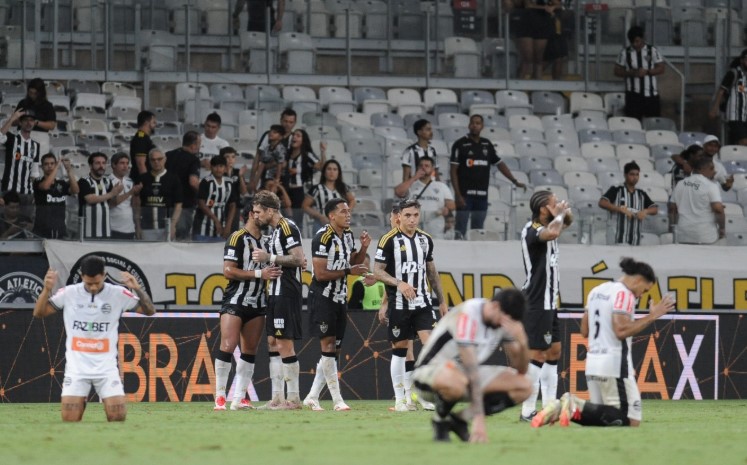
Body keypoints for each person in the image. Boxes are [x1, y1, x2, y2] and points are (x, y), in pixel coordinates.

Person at [531, 258, 675, 428]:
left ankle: (561, 408)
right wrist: (653, 316)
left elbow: (584, 331)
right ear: (638, 280)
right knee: (629, 419)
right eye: (644, 289)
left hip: (593, 364)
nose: (641, 295)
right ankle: (571, 404)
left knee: (603, 419)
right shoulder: (624, 294)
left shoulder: (596, 291)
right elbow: (620, 331)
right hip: (613, 364)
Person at [32, 255, 155, 422]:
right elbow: (39, 313)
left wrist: (137, 288)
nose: (94, 287)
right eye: (89, 283)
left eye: (97, 282)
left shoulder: (117, 294)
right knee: (69, 419)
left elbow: (149, 311)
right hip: (77, 368)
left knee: (117, 416)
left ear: (104, 275)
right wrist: (46, 290)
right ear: (82, 277)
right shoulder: (69, 293)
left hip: (106, 368)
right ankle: (80, 401)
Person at [413, 289, 532, 443]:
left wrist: (523, 343)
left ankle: (459, 419)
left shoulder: (503, 321)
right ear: (495, 306)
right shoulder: (469, 313)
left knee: (525, 386)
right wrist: (479, 419)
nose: (504, 325)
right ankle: (440, 420)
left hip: (463, 375)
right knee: (456, 382)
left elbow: (521, 369)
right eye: (504, 320)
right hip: (429, 374)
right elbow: (471, 368)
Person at [373, 199, 449, 412]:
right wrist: (399, 283)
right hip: (399, 304)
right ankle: (401, 399)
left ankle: (422, 393)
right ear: (399, 217)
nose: (412, 219)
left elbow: (432, 272)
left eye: (415, 215)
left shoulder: (425, 240)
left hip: (423, 303)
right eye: (407, 215)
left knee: (431, 348)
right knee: (400, 350)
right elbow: (377, 270)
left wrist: (441, 301)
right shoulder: (388, 240)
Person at [302, 198, 370, 411]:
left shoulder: (347, 235)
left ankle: (312, 396)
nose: (348, 215)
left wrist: (363, 248)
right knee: (328, 346)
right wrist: (350, 271)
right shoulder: (322, 238)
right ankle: (337, 400)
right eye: (343, 211)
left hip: (340, 297)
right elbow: (320, 274)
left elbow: (351, 262)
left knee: (334, 350)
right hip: (323, 297)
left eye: (349, 211)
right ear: (332, 216)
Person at [214, 204, 282, 411]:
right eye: (259, 213)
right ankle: (219, 397)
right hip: (235, 300)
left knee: (249, 350)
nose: (263, 218)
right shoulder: (237, 238)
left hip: (259, 302)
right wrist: (259, 274)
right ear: (252, 215)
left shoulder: (268, 241)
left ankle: (239, 398)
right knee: (228, 345)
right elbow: (228, 271)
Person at [518, 190, 573, 421]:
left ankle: (549, 406)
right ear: (543, 209)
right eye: (553, 203)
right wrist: (559, 216)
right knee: (538, 354)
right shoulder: (532, 230)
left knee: (554, 351)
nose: (557, 204)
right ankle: (527, 410)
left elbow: (564, 223)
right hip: (536, 301)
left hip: (550, 300)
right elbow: (551, 233)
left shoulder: (550, 224)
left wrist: (563, 213)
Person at [251, 190, 306, 409]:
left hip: (286, 292)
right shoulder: (275, 232)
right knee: (273, 342)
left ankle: (293, 399)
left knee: (284, 343)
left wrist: (269, 258)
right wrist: (269, 265)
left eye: (258, 212)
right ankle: (277, 398)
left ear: (270, 210)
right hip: (274, 291)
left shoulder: (287, 227)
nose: (255, 216)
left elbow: (298, 258)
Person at [450, 114, 525, 237]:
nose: (475, 125)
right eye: (473, 123)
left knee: (478, 231)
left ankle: (475, 256)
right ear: (469, 125)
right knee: (460, 230)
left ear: (482, 126)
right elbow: (453, 170)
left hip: (482, 196)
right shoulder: (460, 144)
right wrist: (458, 195)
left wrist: (514, 180)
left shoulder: (487, 144)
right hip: (464, 196)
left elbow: (499, 163)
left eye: (478, 123)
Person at [598, 161, 658, 246]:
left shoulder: (641, 193)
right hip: (617, 238)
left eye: (637, 174)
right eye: (632, 174)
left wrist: (645, 211)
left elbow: (654, 209)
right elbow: (602, 202)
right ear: (625, 175)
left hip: (635, 240)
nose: (635, 177)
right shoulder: (616, 189)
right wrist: (620, 209)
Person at [394, 156, 455, 239]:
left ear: (432, 168)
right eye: (421, 166)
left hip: (435, 229)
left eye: (426, 166)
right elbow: (398, 192)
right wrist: (414, 177)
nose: (423, 168)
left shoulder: (441, 186)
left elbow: (451, 205)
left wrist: (446, 209)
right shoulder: (411, 185)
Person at [613, 26, 665, 120]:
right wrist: (631, 73)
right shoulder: (625, 52)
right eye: (632, 42)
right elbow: (616, 71)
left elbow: (661, 68)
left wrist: (647, 71)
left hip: (651, 95)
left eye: (637, 41)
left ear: (642, 38)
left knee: (653, 125)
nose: (635, 44)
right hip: (633, 96)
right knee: (633, 124)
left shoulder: (652, 50)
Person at [671, 157, 725, 245]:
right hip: (705, 234)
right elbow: (718, 209)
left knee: (685, 258)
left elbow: (672, 208)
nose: (714, 171)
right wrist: (722, 228)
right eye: (711, 168)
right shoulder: (711, 185)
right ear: (700, 169)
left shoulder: (680, 184)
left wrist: (672, 227)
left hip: (683, 233)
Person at [1, 108, 42, 219]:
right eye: (26, 120)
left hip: (27, 194)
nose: (29, 123)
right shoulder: (12, 138)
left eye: (31, 120)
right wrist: (12, 119)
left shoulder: (36, 146)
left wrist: (35, 192)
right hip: (9, 191)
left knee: (25, 224)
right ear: (20, 122)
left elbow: (34, 172)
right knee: (6, 224)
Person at [136, 148, 183, 241]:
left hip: (166, 227)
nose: (156, 162)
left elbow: (178, 204)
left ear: (165, 159)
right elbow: (137, 203)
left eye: (159, 159)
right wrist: (137, 226)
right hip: (147, 227)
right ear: (149, 161)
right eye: (153, 160)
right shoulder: (143, 178)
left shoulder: (173, 178)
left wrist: (173, 225)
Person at [284, 129, 325, 227]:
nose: (294, 137)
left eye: (298, 136)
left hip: (299, 191)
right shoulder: (287, 153)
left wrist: (323, 151)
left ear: (303, 140)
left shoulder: (306, 154)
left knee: (296, 221)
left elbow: (320, 166)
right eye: (293, 135)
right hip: (285, 190)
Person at [193, 155, 238, 242]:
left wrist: (228, 226)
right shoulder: (206, 182)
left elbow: (233, 204)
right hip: (203, 225)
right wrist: (216, 220)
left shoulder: (229, 183)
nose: (218, 169)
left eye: (221, 166)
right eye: (215, 166)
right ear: (211, 167)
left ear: (225, 168)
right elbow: (201, 203)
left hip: (222, 227)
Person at [33, 153, 79, 239]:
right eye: (46, 164)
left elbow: (76, 190)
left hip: (60, 228)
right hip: (42, 229)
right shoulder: (38, 181)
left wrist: (69, 170)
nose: (49, 166)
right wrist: (57, 166)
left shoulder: (61, 183)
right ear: (42, 167)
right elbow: (46, 186)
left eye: (52, 163)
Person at [509, 0, 558, 79]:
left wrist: (553, 7)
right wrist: (544, 7)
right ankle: (518, 85)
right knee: (527, 58)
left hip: (542, 21)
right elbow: (528, 5)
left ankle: (537, 86)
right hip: (526, 20)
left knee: (538, 59)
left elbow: (558, 4)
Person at [166, 131, 201, 240]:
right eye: (199, 144)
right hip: (184, 205)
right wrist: (203, 194)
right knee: (181, 239)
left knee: (165, 238)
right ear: (193, 145)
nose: (200, 147)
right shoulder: (193, 159)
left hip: (166, 203)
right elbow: (193, 182)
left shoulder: (167, 155)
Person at [78, 152, 123, 239]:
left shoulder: (107, 181)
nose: (101, 166)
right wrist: (112, 193)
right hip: (88, 231)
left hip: (105, 230)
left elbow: (112, 203)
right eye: (98, 163)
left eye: (103, 163)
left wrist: (117, 194)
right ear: (91, 166)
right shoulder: (84, 181)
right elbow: (90, 199)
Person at [303, 159, 356, 231]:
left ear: (338, 173)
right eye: (329, 169)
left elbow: (352, 200)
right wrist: (320, 217)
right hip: (321, 225)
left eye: (335, 169)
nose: (332, 172)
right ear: (324, 172)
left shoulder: (343, 187)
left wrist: (347, 213)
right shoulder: (317, 189)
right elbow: (305, 206)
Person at [250, 110, 296, 192]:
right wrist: (252, 180)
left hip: (284, 179)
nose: (287, 124)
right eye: (285, 121)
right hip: (266, 177)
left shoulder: (294, 138)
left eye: (291, 122)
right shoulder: (268, 135)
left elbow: (286, 163)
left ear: (294, 123)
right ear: (281, 120)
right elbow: (258, 158)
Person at [709, 49, 747, 146]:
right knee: (743, 141)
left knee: (736, 143)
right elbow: (721, 91)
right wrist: (715, 108)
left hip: (745, 115)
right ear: (742, 60)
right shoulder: (734, 73)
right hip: (735, 115)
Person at [109, 152, 141, 240]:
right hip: (113, 228)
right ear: (113, 165)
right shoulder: (107, 181)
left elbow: (135, 205)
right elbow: (111, 203)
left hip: (130, 229)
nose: (125, 166)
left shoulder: (130, 181)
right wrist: (130, 193)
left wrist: (137, 227)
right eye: (122, 163)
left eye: (127, 163)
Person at [250, 124, 287, 194]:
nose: (271, 133)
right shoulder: (267, 148)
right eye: (271, 131)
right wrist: (255, 181)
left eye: (275, 132)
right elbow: (262, 164)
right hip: (266, 177)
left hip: (276, 177)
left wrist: (277, 181)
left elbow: (280, 165)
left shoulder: (280, 148)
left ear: (280, 137)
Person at [220, 146, 249, 231]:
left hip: (235, 206)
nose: (230, 159)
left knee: (233, 231)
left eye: (233, 157)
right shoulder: (218, 172)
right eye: (227, 157)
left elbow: (244, 192)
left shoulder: (237, 172)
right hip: (221, 206)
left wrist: (240, 176)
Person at [199, 112, 230, 178]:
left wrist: (215, 165)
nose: (210, 129)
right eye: (208, 126)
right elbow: (186, 161)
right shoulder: (196, 140)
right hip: (197, 180)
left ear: (219, 128)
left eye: (213, 127)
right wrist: (200, 163)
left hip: (216, 182)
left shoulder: (224, 144)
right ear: (204, 124)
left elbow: (228, 165)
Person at [129, 110, 157, 183]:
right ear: (146, 122)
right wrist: (146, 181)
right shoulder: (141, 138)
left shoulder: (145, 138)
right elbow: (140, 163)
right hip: (140, 181)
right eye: (153, 122)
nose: (155, 125)